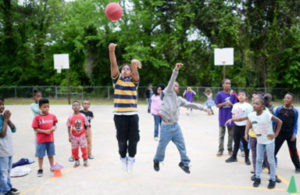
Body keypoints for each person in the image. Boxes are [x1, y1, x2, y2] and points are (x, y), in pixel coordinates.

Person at [153, 63, 208, 174]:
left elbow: (190, 104)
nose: (176, 87)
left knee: (182, 145)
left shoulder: (179, 99)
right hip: (166, 127)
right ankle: (157, 160)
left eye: (177, 86)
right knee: (162, 146)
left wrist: (203, 108)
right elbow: (172, 80)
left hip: (175, 126)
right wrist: (176, 70)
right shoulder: (167, 93)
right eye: (175, 85)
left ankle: (184, 163)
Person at [109, 43, 142, 173]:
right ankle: (123, 158)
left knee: (134, 140)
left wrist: (134, 63)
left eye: (128, 69)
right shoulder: (117, 80)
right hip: (119, 116)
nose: (126, 70)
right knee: (122, 140)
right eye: (124, 69)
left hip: (132, 115)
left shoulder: (134, 82)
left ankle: (131, 159)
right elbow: (114, 65)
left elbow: (135, 72)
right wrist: (111, 51)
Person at [245, 97, 282, 189]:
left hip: (269, 141)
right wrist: (234, 120)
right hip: (260, 141)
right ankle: (257, 178)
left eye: (257, 104)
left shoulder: (267, 114)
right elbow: (246, 121)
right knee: (258, 159)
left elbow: (279, 121)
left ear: (262, 106)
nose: (254, 105)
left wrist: (275, 134)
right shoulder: (252, 114)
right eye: (254, 103)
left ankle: (272, 179)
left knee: (270, 160)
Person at [274, 93, 300, 173]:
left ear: (292, 100)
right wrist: (273, 132)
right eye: (285, 97)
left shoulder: (295, 111)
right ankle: (269, 164)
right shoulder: (278, 109)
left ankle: (298, 167)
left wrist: (294, 134)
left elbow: (295, 124)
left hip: (290, 134)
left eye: (288, 98)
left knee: (293, 151)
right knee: (273, 150)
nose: (286, 99)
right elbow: (274, 122)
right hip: (279, 133)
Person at [225, 90, 252, 165]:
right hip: (236, 126)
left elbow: (249, 118)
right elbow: (233, 114)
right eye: (239, 95)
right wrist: (233, 119)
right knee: (236, 143)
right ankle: (234, 157)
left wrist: (247, 128)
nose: (240, 96)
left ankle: (247, 158)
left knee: (245, 143)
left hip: (244, 126)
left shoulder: (248, 106)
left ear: (246, 97)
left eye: (243, 95)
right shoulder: (235, 105)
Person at [32, 98, 57, 177]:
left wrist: (53, 128)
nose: (46, 108)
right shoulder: (37, 117)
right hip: (41, 140)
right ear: (40, 108)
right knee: (40, 155)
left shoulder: (52, 116)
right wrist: (44, 131)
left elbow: (54, 124)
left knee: (51, 154)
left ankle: (52, 167)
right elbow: (35, 128)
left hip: (50, 140)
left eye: (48, 106)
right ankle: (40, 169)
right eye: (44, 107)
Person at [0, 98, 20, 195]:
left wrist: (8, 120)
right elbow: (2, 134)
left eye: (2, 104)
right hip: (1, 151)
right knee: (2, 172)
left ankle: (8, 187)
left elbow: (13, 129)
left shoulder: (2, 117)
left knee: (8, 171)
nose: (2, 106)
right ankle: (4, 190)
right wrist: (5, 120)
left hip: (8, 149)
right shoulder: (3, 119)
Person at [214, 79, 238, 156]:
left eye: (229, 83)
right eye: (226, 83)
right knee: (221, 135)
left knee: (231, 135)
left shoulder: (233, 94)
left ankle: (230, 150)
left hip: (230, 117)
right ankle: (220, 150)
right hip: (222, 117)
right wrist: (224, 103)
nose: (228, 85)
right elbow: (217, 105)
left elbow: (237, 105)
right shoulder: (219, 94)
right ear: (223, 85)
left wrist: (231, 104)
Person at [67, 100, 90, 168]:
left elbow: (87, 125)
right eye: (74, 105)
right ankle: (76, 160)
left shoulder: (83, 116)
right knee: (74, 149)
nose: (75, 107)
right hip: (74, 136)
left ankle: (85, 159)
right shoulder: (70, 117)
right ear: (72, 107)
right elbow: (68, 127)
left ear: (80, 107)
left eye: (77, 105)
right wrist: (69, 136)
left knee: (84, 148)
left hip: (82, 135)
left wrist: (87, 132)